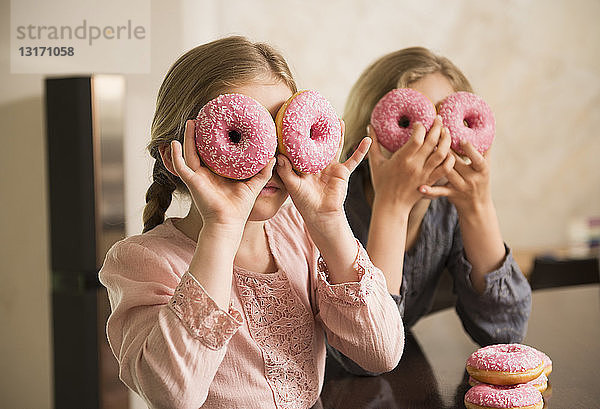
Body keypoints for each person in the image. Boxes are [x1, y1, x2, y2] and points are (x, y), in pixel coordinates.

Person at [98, 36, 404, 409]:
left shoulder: (300, 234)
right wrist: (222, 227)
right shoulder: (141, 260)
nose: (270, 159)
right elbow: (173, 394)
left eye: (282, 132)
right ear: (176, 154)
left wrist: (328, 222)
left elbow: (380, 352)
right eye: (241, 135)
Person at [328, 47, 532, 374]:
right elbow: (361, 355)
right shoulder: (332, 207)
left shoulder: (446, 210)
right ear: (371, 130)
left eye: (446, 118)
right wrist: (391, 206)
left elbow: (503, 331)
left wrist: (476, 207)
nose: (434, 138)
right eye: (412, 122)